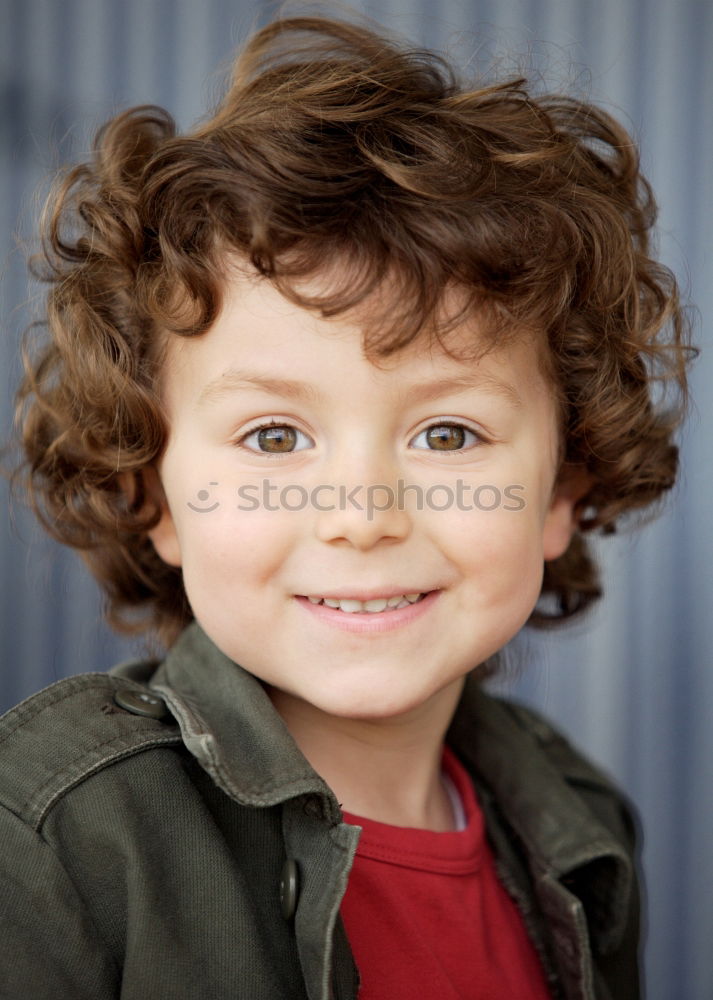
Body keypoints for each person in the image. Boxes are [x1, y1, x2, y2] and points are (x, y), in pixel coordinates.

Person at [2, 14, 691, 1000]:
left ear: (560, 489)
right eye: (274, 437)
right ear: (151, 492)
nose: (362, 514)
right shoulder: (51, 834)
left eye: (445, 435)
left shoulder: (580, 827)